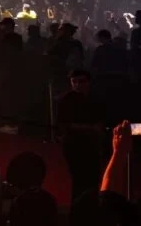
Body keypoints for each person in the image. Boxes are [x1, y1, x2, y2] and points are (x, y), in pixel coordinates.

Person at [57, 69, 105, 203]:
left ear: (88, 82)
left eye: (81, 81)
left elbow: (101, 122)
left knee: (93, 179)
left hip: (91, 145)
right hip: (74, 146)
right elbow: (64, 125)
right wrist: (91, 129)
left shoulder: (95, 99)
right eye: (74, 82)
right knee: (79, 180)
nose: (77, 85)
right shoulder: (66, 100)